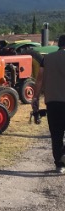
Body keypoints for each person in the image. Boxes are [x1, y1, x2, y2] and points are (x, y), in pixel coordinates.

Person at [33, 34, 65, 173]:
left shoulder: (47, 59)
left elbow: (39, 79)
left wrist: (35, 98)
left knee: (56, 134)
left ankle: (59, 165)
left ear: (59, 44)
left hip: (53, 102)